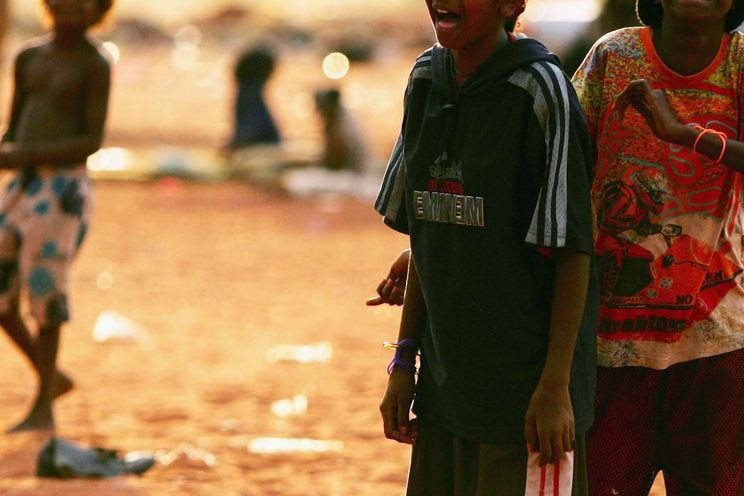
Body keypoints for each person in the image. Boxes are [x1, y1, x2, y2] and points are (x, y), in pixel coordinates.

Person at [373, 0, 598, 493]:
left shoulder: (540, 90)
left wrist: (556, 388)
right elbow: (428, 242)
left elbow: (574, 248)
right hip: (445, 393)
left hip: (527, 403)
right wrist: (404, 363)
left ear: (511, 5)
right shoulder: (425, 80)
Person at [571, 0, 744, 492]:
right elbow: (558, 161)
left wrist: (684, 134)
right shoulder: (616, 54)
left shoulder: (740, 62)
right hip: (613, 344)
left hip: (719, 340)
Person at [0, 0, 113, 432]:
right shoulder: (29, 57)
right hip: (21, 185)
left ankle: (42, 406)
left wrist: (22, 154)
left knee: (46, 292)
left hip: (62, 189)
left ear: (97, 9)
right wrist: (12, 156)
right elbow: (15, 125)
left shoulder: (94, 64)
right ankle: (52, 378)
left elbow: (91, 140)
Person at [224, 45, 280, 155]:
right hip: (266, 149)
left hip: (262, 150)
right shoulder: (250, 93)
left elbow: (248, 131)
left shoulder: (248, 93)